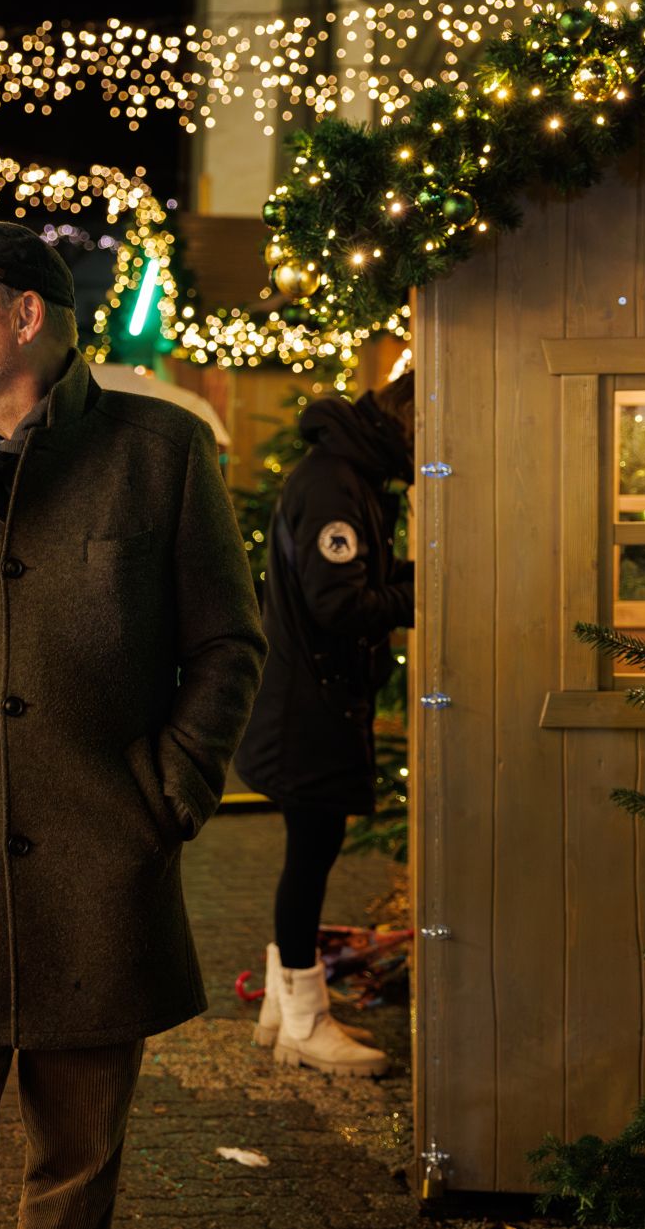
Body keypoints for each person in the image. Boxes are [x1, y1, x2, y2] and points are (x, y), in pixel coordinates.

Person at [0, 221, 267, 1229]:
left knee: (75, 1175)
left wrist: (169, 797)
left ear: (28, 317)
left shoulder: (162, 456)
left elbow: (226, 647)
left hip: (103, 875)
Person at [233, 371, 416, 1079]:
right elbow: (339, 600)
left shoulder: (341, 473)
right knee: (311, 854)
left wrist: (405, 572)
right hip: (309, 707)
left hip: (309, 700)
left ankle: (284, 1007)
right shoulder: (337, 483)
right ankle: (305, 1020)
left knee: (309, 852)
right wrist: (420, 589)